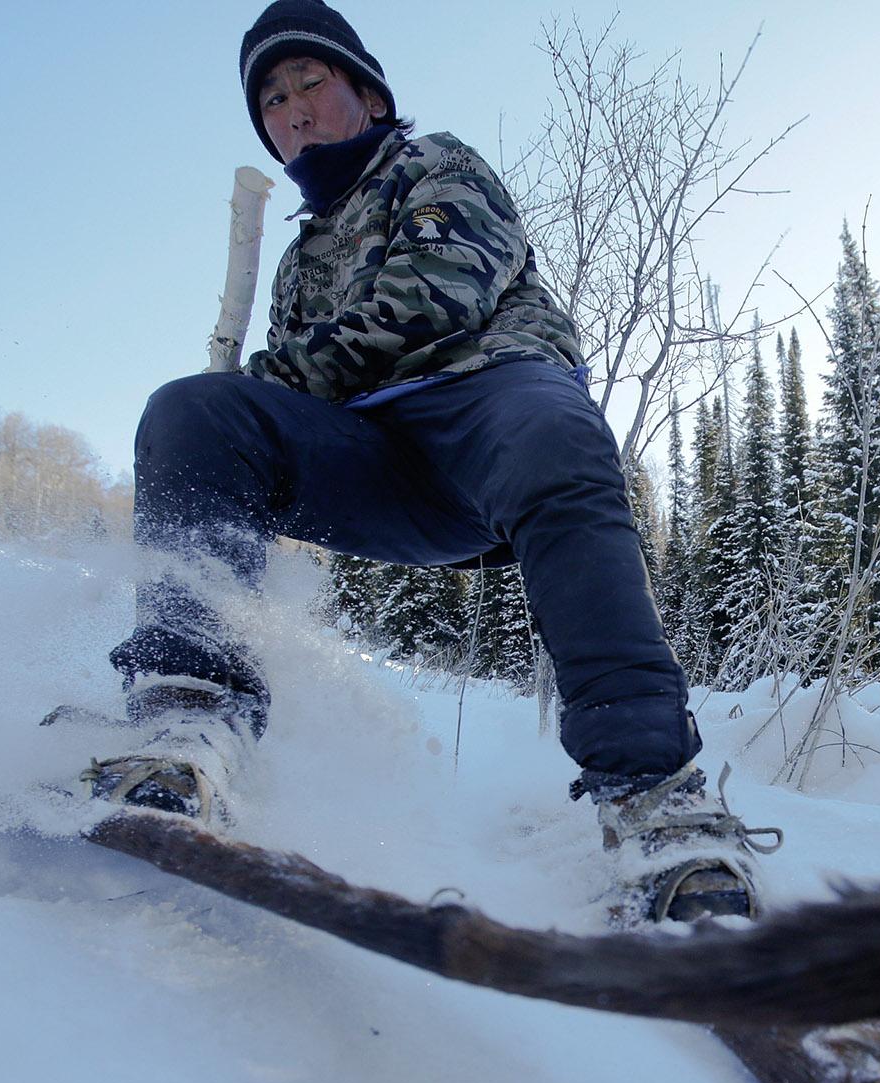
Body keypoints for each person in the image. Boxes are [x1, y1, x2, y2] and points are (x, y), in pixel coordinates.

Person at [81, 0, 775, 923]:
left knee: (552, 433)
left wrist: (276, 373)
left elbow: (433, 298)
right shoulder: (297, 265)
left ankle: (656, 797)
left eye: (310, 84)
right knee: (190, 414)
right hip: (375, 463)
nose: (291, 111)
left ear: (365, 94)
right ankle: (186, 714)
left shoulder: (432, 164)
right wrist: (234, 411)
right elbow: (287, 406)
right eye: (272, 102)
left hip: (485, 405)